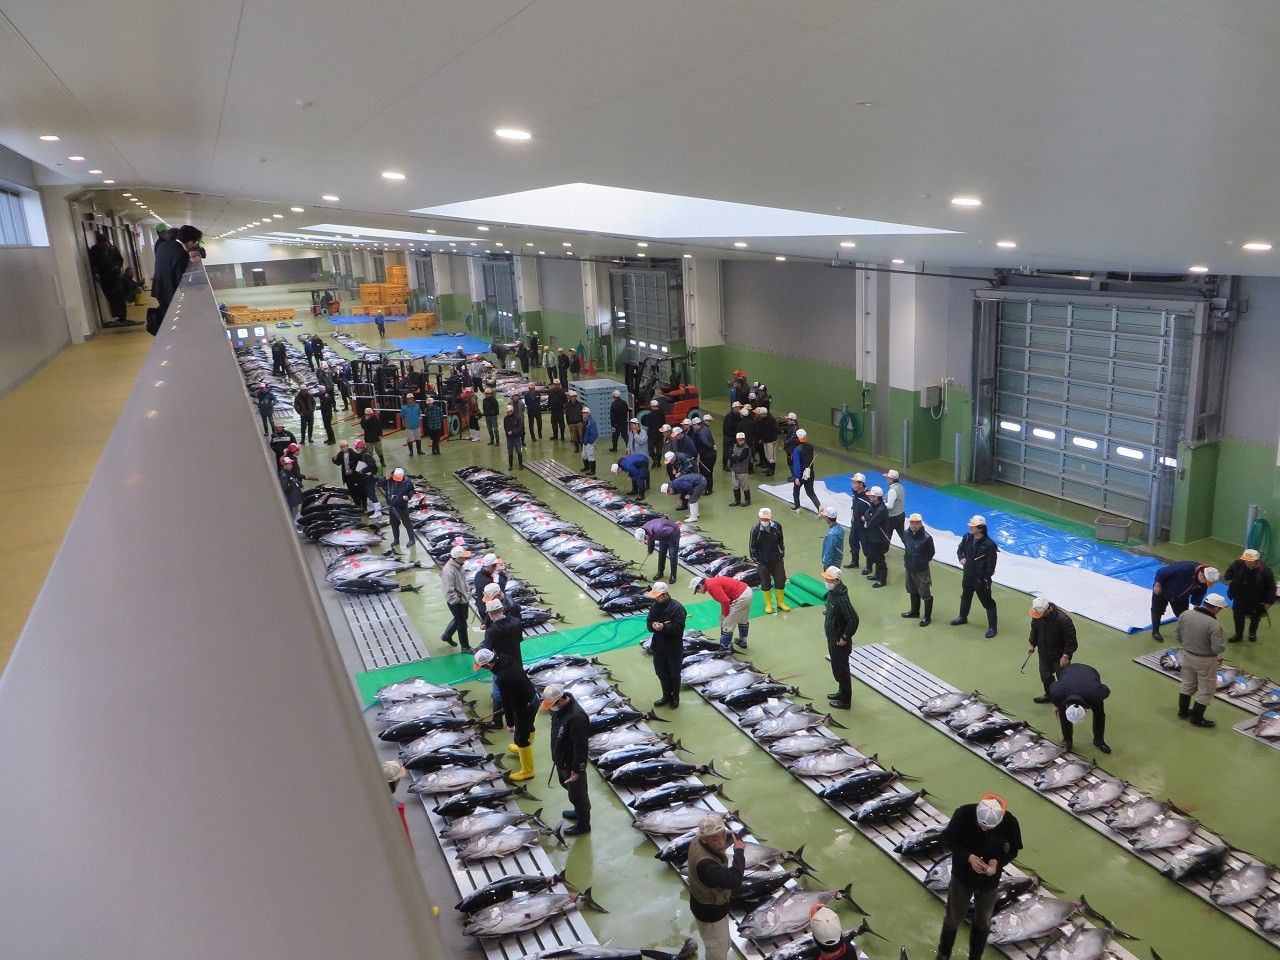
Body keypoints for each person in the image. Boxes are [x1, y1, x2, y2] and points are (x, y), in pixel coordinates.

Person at [936, 795, 1022, 960]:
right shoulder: (963, 814)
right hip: (962, 876)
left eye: (988, 827)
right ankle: (944, 953)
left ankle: (975, 957)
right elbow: (949, 838)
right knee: (954, 917)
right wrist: (968, 857)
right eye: (981, 825)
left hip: (989, 880)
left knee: (983, 921)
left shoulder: (1010, 823)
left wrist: (997, 863)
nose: (983, 829)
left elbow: (1013, 850)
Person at [686, 815, 745, 960]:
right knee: (716, 951)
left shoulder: (697, 840)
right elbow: (735, 880)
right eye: (714, 838)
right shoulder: (706, 866)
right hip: (711, 913)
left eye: (722, 835)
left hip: (706, 904)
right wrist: (739, 853)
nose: (721, 842)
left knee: (722, 944)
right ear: (704, 839)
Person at [542, 684, 591, 835]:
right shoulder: (559, 710)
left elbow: (581, 746)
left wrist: (577, 770)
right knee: (570, 789)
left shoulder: (576, 717)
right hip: (562, 760)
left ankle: (584, 824)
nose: (551, 709)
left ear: (561, 700)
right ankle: (578, 811)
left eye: (552, 705)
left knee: (578, 795)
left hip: (571, 764)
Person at [1176, 593, 1228, 728]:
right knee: (1206, 689)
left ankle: (1182, 712)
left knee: (1187, 684)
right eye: (1220, 609)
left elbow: (1178, 635)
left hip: (1187, 655)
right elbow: (1217, 648)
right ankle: (1196, 719)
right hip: (1205, 661)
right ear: (1215, 608)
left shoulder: (1185, 614)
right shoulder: (1213, 624)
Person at [951, 515, 998, 638]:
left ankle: (993, 627)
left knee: (987, 602)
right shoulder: (967, 537)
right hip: (967, 575)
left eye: (973, 526)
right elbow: (960, 549)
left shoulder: (989, 545)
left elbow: (991, 565)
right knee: (965, 596)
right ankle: (963, 617)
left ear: (980, 528)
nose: (970, 528)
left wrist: (984, 577)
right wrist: (961, 558)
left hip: (980, 579)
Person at [1150, 560, 1220, 642]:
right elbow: (1161, 572)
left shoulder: (1204, 582)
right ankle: (1155, 631)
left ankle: (1183, 633)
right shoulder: (1185, 568)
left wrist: (1196, 608)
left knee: (1184, 615)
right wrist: (1157, 585)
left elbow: (1199, 594)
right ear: (1201, 576)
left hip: (1182, 596)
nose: (1205, 584)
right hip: (1163, 590)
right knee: (1157, 610)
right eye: (1206, 582)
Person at [1048, 662, 1111, 753]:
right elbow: (1052, 686)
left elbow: (1106, 689)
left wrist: (1096, 685)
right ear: (1066, 706)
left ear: (1085, 709)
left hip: (1090, 673)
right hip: (1069, 671)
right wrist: (1056, 705)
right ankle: (1067, 741)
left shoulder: (1096, 694)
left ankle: (1099, 740)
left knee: (1099, 714)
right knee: (1063, 715)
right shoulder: (1058, 691)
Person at [1027, 596, 1078, 703]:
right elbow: (1034, 630)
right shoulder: (1038, 615)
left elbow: (1071, 641)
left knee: (1063, 679)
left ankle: (1065, 701)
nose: (1038, 616)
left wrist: (1066, 656)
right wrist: (1032, 643)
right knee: (1045, 676)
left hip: (1060, 656)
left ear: (1048, 610)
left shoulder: (1063, 620)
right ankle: (1049, 695)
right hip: (1044, 653)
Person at [821, 566, 859, 709]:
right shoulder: (833, 593)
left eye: (829, 580)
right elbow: (832, 614)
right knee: (837, 667)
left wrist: (845, 636)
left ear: (837, 581)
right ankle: (841, 692)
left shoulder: (841, 598)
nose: (827, 582)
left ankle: (845, 701)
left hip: (839, 640)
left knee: (842, 671)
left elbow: (853, 619)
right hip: (832, 636)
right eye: (826, 579)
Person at [646, 581, 688, 709]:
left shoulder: (678, 609)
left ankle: (675, 698)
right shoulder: (655, 606)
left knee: (674, 674)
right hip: (658, 646)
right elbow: (649, 622)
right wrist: (652, 625)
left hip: (673, 648)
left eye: (658, 596)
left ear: (665, 594)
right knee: (662, 674)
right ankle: (666, 696)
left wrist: (664, 627)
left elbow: (678, 629)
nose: (656, 599)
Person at [1222, 548, 1276, 643]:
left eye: (1249, 561)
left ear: (1256, 561)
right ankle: (1238, 635)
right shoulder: (1238, 563)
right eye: (1245, 560)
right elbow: (1230, 571)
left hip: (1256, 600)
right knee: (1238, 617)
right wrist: (1228, 578)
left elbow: (1271, 587)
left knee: (1255, 618)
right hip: (1239, 596)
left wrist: (1269, 602)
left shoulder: (1265, 571)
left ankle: (1252, 633)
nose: (1247, 562)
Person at [692, 575, 752, 650]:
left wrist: (724, 615)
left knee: (726, 624)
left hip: (741, 597)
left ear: (700, 585)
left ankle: (724, 649)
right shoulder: (712, 582)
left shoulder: (711, 586)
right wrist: (723, 613)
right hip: (747, 591)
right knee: (742, 619)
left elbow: (725, 601)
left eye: (697, 590)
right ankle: (743, 641)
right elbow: (724, 600)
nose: (698, 592)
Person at [750, 507, 791, 615]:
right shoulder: (755, 530)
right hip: (763, 562)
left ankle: (780, 602)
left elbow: (780, 541)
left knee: (781, 579)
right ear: (759, 517)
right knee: (765, 581)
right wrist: (759, 561)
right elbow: (753, 548)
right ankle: (768, 603)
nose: (765, 521)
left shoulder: (777, 526)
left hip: (777, 560)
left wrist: (781, 553)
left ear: (771, 517)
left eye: (767, 519)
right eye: (763, 519)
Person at [901, 513, 936, 627]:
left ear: (921, 523)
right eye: (912, 522)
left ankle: (927, 617)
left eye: (916, 523)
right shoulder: (906, 534)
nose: (914, 525)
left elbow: (931, 553)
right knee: (912, 589)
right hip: (909, 567)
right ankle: (914, 611)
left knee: (925, 592)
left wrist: (922, 561)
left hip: (921, 570)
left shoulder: (927, 538)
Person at [88, 231, 128, 326]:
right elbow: (94, 263)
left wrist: (117, 267)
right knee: (109, 295)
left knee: (119, 292)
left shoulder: (113, 248)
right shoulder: (94, 250)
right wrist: (95, 273)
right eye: (103, 243)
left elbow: (120, 260)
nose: (106, 244)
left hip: (115, 275)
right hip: (103, 276)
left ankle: (122, 316)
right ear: (99, 243)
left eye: (106, 242)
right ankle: (116, 314)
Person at [439, 544, 474, 652]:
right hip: (457, 602)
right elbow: (448, 591)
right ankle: (465, 647)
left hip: (462, 598)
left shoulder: (458, 565)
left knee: (462, 618)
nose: (466, 558)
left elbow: (462, 580)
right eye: (464, 557)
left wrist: (466, 594)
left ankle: (447, 635)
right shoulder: (449, 572)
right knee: (462, 624)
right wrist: (458, 600)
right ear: (457, 558)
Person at [378, 467, 418, 550]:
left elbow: (411, 491)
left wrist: (408, 497)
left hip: (402, 505)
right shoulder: (389, 479)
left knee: (407, 522)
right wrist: (384, 479)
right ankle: (396, 540)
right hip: (391, 505)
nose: (397, 480)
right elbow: (379, 484)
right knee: (394, 523)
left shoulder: (407, 481)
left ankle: (412, 540)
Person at [638, 516, 682, 584]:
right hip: (663, 536)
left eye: (645, 539)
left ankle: (673, 575)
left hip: (673, 534)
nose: (646, 540)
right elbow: (650, 538)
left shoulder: (658, 531)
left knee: (672, 555)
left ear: (645, 535)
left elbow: (671, 531)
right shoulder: (646, 530)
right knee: (661, 553)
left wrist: (671, 542)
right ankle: (660, 573)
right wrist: (650, 550)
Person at [861, 487, 890, 588]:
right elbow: (866, 513)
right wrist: (869, 517)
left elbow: (871, 523)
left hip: (879, 539)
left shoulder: (882, 509)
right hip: (873, 537)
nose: (869, 497)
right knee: (876, 558)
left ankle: (882, 580)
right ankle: (877, 575)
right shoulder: (874, 505)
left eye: (871, 495)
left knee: (880, 559)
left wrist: (867, 518)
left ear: (876, 497)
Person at [790, 429, 821, 513]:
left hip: (801, 474)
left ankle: (797, 507)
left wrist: (797, 477)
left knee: (796, 490)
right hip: (810, 472)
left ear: (797, 438)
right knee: (810, 492)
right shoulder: (810, 447)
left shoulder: (797, 450)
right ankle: (819, 507)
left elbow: (797, 464)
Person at [846, 474, 870, 571]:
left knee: (866, 546)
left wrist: (866, 517)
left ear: (861, 484)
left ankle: (869, 567)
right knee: (852, 541)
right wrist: (852, 508)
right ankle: (854, 562)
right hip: (855, 523)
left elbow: (874, 511)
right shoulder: (855, 493)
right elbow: (854, 501)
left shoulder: (868, 497)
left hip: (864, 527)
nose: (853, 484)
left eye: (855, 483)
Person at [332, 440, 365, 509]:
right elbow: (338, 463)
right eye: (341, 447)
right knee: (352, 493)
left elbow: (359, 462)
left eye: (343, 446)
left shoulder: (353, 454)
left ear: (347, 446)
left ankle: (363, 507)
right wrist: (334, 459)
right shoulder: (340, 454)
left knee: (359, 492)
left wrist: (352, 470)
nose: (342, 448)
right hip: (347, 477)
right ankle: (357, 506)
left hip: (355, 477)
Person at [353, 439, 382, 517]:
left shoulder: (365, 455)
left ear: (360, 447)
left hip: (369, 479)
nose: (355, 449)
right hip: (369, 478)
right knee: (370, 494)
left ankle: (378, 511)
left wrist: (362, 471)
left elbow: (371, 466)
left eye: (356, 447)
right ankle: (376, 509)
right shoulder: (366, 454)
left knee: (371, 494)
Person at [726, 431, 752, 508]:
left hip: (743, 471)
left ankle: (747, 500)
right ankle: (737, 500)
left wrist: (734, 457)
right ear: (737, 440)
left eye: (742, 439)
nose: (740, 441)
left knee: (745, 486)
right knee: (735, 485)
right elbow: (730, 455)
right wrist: (734, 458)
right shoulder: (734, 446)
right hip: (734, 470)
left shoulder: (746, 448)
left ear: (744, 439)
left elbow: (740, 458)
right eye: (739, 440)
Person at [694, 416, 717, 494]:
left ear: (696, 424)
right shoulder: (706, 428)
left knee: (706, 473)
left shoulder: (701, 432)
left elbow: (705, 442)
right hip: (711, 455)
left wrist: (712, 447)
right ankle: (707, 488)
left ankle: (708, 489)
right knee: (708, 472)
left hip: (707, 456)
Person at [754, 407, 778, 476]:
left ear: (765, 414)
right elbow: (762, 430)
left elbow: (774, 430)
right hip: (765, 440)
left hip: (771, 441)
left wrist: (774, 439)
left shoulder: (771, 420)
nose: (760, 415)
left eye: (761, 414)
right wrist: (761, 438)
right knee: (767, 455)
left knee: (771, 456)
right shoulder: (762, 420)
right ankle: (769, 468)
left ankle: (772, 471)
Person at [884, 469, 906, 545]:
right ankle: (910, 548)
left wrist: (881, 504)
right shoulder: (901, 487)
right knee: (903, 535)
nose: (886, 479)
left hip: (892, 517)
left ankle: (885, 550)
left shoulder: (892, 490)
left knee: (887, 536)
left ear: (892, 479)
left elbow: (890, 506)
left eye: (888, 478)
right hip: (901, 514)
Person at [820, 506, 844, 571]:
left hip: (832, 564)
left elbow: (829, 550)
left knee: (831, 577)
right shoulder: (839, 528)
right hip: (837, 560)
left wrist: (826, 565)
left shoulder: (831, 535)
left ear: (828, 519)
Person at [504, 403, 526, 470]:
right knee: (510, 452)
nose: (508, 413)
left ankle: (520, 464)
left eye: (508, 412)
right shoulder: (505, 418)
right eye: (507, 412)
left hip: (516, 438)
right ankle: (510, 465)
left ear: (512, 411)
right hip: (509, 438)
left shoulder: (518, 418)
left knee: (519, 451)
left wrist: (513, 432)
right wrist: (507, 433)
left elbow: (520, 428)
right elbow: (505, 427)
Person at [581, 406, 599, 474]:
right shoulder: (585, 421)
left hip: (589, 442)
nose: (583, 414)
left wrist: (589, 442)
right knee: (584, 455)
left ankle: (593, 471)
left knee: (590, 455)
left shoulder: (591, 422)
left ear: (588, 414)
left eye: (585, 413)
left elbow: (595, 434)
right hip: (585, 441)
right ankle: (587, 467)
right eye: (583, 413)